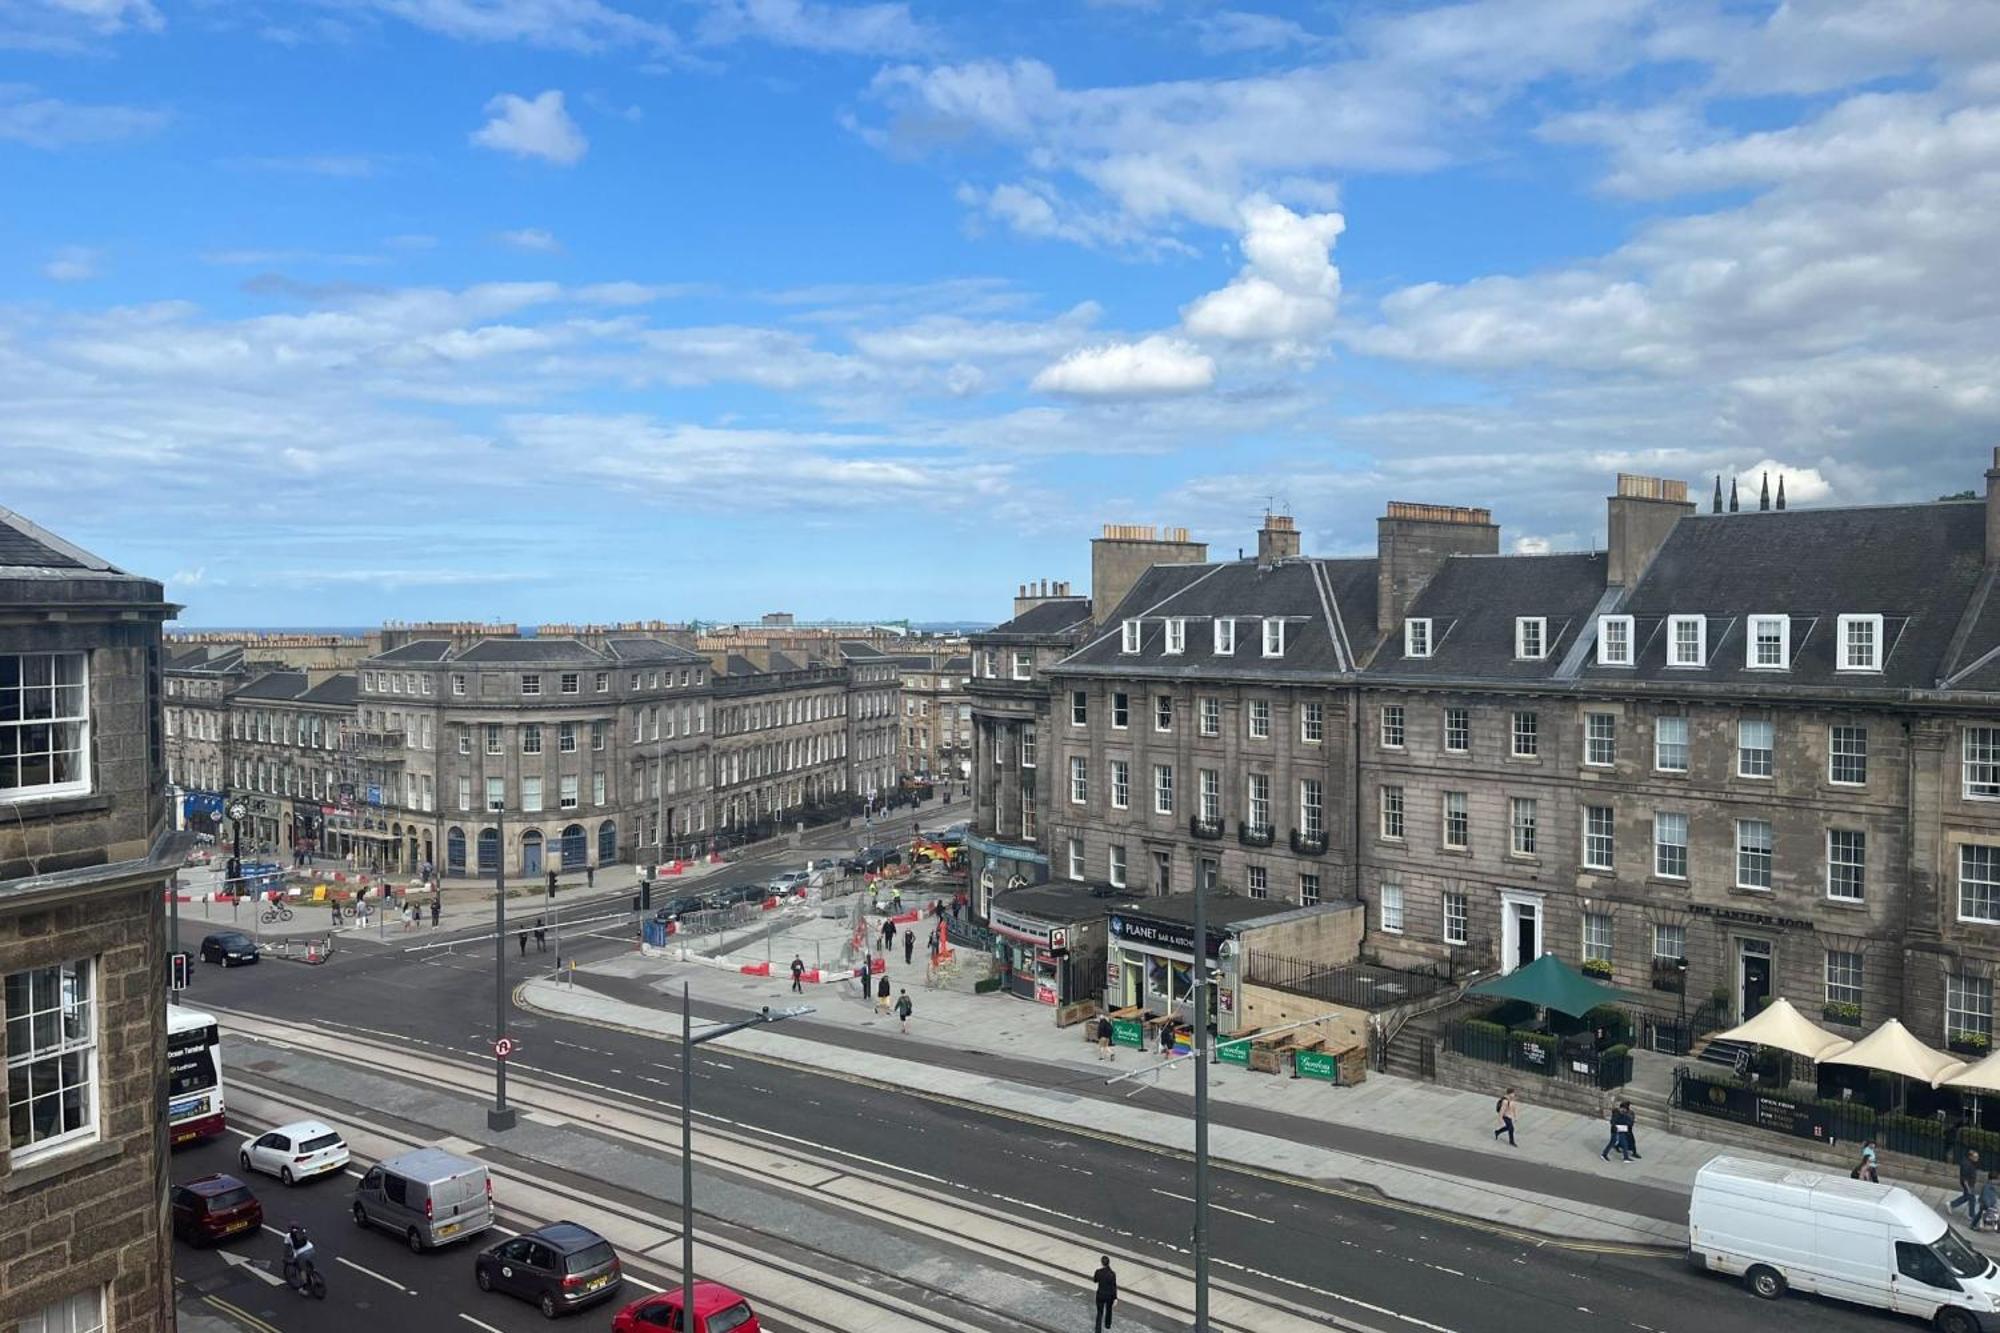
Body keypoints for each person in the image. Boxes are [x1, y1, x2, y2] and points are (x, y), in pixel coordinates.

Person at [282, 1222, 317, 1289]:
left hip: (302, 1254)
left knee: (301, 1269)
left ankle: (305, 1287)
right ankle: (313, 1273)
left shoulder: (288, 1236)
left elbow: (286, 1249)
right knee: (306, 1262)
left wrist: (285, 1257)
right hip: (311, 1249)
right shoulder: (302, 1232)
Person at [1954, 1148, 1984, 1217]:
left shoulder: (1971, 1162)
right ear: (1970, 1157)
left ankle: (1952, 1204)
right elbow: (1965, 1179)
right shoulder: (1966, 1164)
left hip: (1970, 1183)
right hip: (1968, 1184)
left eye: (1977, 1156)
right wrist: (1968, 1188)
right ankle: (1971, 1215)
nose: (1977, 1158)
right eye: (1975, 1157)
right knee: (1971, 1198)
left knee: (1968, 1197)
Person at [1093, 1255, 1118, 1331]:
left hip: (1100, 1294)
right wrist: (1115, 1297)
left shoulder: (1098, 1272)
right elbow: (1114, 1286)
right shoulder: (1112, 1274)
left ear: (1101, 1263)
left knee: (1099, 1312)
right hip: (1109, 1296)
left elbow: (1095, 1280)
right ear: (1109, 1263)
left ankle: (1098, 1330)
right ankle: (1107, 1324)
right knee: (1109, 1310)